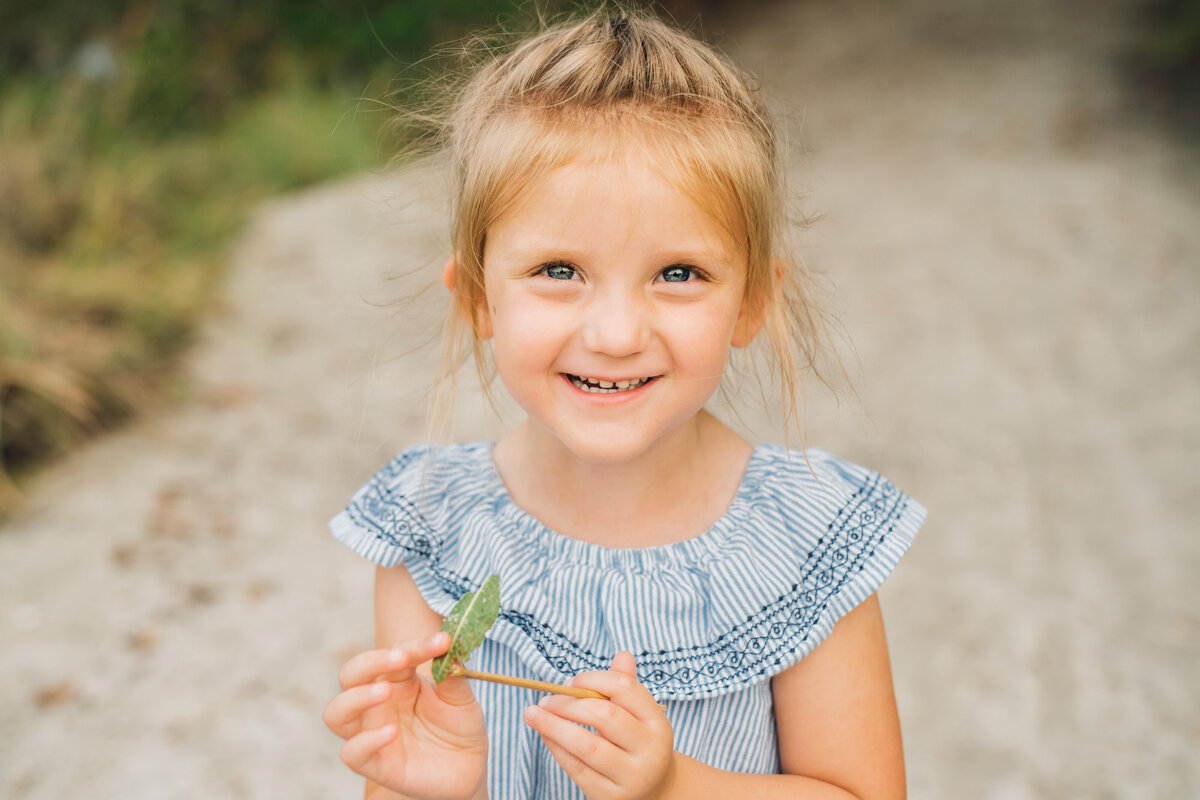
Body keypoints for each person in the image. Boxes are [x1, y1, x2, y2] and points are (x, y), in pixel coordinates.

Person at [322, 9, 925, 800]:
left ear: (750, 305)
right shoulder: (431, 531)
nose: (614, 334)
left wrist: (676, 784)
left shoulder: (809, 540)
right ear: (476, 299)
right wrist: (426, 784)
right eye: (559, 269)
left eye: (678, 274)